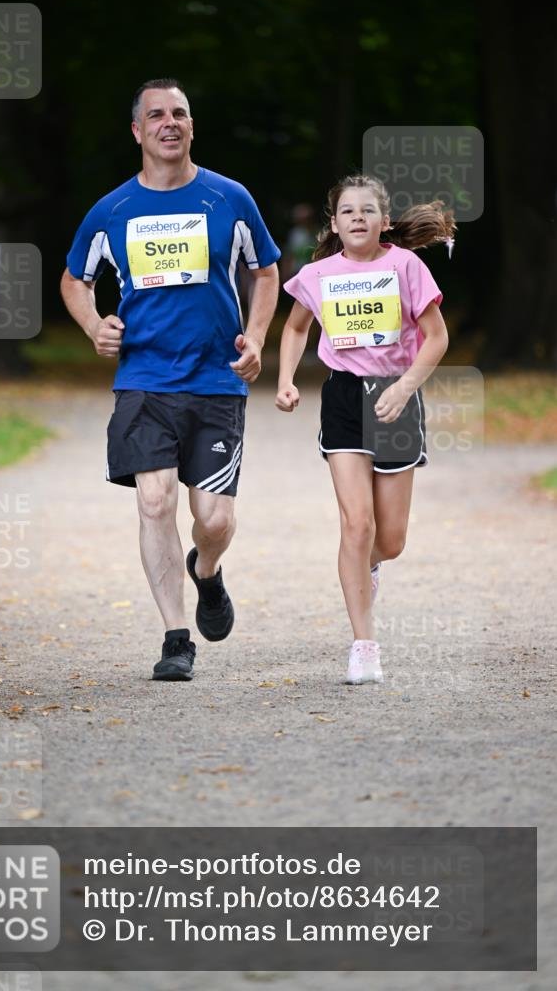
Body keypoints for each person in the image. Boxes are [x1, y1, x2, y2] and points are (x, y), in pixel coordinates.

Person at [61, 78, 280, 683]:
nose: (169, 123)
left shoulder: (229, 198)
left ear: (190, 125)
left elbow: (266, 272)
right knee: (153, 500)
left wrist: (257, 339)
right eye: (156, 115)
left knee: (212, 521)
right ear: (137, 130)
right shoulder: (113, 211)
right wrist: (92, 324)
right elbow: (75, 280)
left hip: (216, 380)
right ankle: (175, 638)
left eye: (179, 113)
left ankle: (206, 572)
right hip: (145, 378)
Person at [276, 173, 454, 685]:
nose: (357, 217)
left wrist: (404, 388)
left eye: (367, 211)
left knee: (389, 539)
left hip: (397, 396)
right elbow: (293, 328)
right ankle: (364, 645)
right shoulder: (319, 273)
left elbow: (436, 339)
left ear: (383, 222)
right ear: (335, 223)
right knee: (357, 525)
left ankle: (365, 567)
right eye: (348, 211)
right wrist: (286, 379)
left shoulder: (406, 266)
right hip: (345, 398)